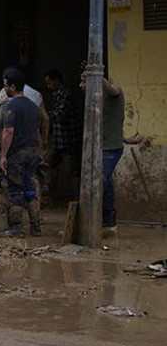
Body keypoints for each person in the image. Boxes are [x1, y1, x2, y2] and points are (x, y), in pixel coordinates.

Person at [79, 70, 142, 237]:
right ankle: (109, 223)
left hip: (110, 149)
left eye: (83, 82)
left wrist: (95, 75)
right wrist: (126, 139)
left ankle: (91, 224)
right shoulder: (98, 103)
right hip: (104, 147)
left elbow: (112, 89)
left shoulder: (115, 94)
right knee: (106, 185)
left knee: (99, 182)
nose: (80, 86)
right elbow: (110, 125)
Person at [0, 68, 42, 237]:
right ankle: (36, 226)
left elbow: (8, 131)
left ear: (12, 86)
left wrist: (3, 155)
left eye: (6, 85)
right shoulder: (33, 106)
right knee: (30, 189)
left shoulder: (11, 106)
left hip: (17, 154)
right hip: (33, 152)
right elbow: (37, 129)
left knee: (15, 191)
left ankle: (16, 228)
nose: (4, 89)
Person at [43, 69, 82, 202]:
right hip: (58, 140)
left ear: (56, 81)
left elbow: (60, 115)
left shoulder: (65, 95)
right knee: (47, 165)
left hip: (69, 139)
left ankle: (77, 200)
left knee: (72, 170)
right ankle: (47, 195)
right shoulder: (56, 95)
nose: (48, 87)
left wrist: (44, 115)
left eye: (49, 83)